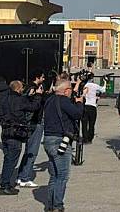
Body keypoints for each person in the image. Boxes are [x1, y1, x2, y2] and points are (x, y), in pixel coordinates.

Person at [43, 78, 84, 212]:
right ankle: (57, 206)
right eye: (70, 90)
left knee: (54, 175)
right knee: (62, 175)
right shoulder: (64, 101)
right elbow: (77, 114)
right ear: (66, 91)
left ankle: (50, 205)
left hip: (48, 139)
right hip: (60, 140)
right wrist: (79, 103)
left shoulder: (49, 100)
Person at [0, 80, 41, 196]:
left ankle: (5, 183)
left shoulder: (5, 99)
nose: (23, 89)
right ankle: (5, 185)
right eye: (22, 87)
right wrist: (38, 95)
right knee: (11, 161)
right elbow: (34, 107)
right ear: (18, 88)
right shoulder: (19, 100)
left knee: (7, 159)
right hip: (15, 133)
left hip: (5, 132)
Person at [16, 69, 46, 188]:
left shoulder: (27, 88)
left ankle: (20, 175)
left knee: (28, 151)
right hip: (34, 122)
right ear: (37, 77)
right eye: (42, 77)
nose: (43, 79)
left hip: (30, 122)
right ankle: (25, 177)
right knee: (32, 151)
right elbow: (34, 106)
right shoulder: (33, 89)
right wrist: (39, 95)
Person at [81, 78, 105, 144]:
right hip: (92, 106)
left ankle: (84, 138)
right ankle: (90, 138)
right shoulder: (94, 85)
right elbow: (103, 90)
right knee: (92, 124)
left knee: (84, 124)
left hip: (85, 105)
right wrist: (105, 82)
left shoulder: (84, 85)